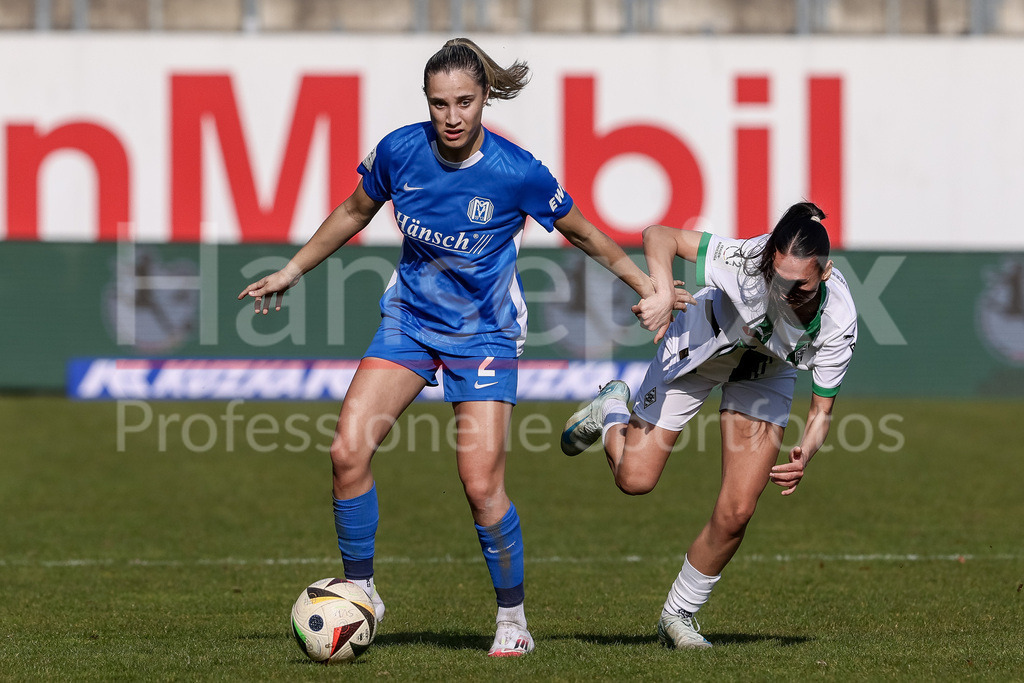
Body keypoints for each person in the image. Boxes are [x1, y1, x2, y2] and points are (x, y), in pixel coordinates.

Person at [238, 38, 673, 657]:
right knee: (346, 451)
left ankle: (513, 620)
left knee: (479, 484)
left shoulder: (516, 171)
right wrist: (292, 269)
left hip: (485, 337)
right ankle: (362, 591)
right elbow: (354, 211)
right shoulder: (399, 150)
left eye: (464, 102)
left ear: (484, 99)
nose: (451, 116)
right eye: (439, 103)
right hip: (409, 322)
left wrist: (647, 285)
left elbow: (587, 235)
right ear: (427, 102)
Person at [560, 201, 857, 649]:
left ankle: (678, 614)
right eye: (778, 280)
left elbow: (821, 413)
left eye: (801, 286)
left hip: (766, 371)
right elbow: (659, 234)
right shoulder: (746, 263)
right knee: (634, 479)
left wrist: (806, 453)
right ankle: (613, 410)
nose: (785, 292)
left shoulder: (838, 321)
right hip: (702, 343)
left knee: (738, 510)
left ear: (826, 272)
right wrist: (661, 292)